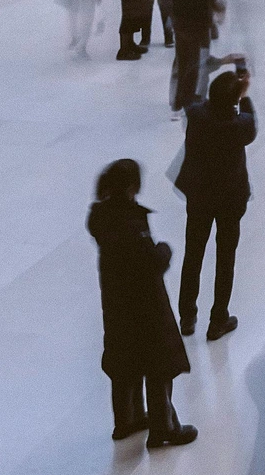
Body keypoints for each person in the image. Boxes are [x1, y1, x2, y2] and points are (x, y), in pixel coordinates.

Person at [87, 158, 196, 447]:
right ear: (132, 187)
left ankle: (126, 420)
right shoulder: (130, 224)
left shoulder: (101, 218)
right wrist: (164, 250)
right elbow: (149, 263)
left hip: (116, 307)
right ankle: (164, 427)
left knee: (124, 362)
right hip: (145, 307)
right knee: (158, 363)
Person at [176, 66, 256, 341]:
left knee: (193, 253)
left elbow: (193, 97)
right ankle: (218, 318)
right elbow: (250, 120)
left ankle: (187, 315)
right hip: (230, 200)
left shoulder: (196, 116)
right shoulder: (240, 126)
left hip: (199, 195)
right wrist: (244, 95)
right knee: (225, 258)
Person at [171, 0, 249, 116]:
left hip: (183, 24)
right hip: (195, 25)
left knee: (185, 64)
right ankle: (189, 103)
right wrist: (217, 4)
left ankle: (179, 102)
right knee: (195, 65)